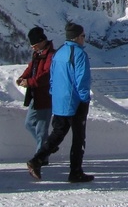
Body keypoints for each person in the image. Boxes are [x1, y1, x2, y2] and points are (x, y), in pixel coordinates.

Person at [27, 22, 93, 183]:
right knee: (78, 137)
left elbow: (52, 76)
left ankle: (37, 159)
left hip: (59, 100)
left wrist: (53, 93)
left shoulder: (60, 52)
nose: (84, 39)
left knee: (58, 133)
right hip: (75, 100)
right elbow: (81, 79)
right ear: (77, 37)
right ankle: (75, 171)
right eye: (83, 36)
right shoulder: (78, 54)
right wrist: (85, 98)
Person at [17, 27, 54, 161]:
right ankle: (47, 146)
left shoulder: (50, 55)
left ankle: (41, 157)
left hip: (45, 96)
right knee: (29, 124)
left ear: (41, 42)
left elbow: (46, 75)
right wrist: (22, 77)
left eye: (35, 45)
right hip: (35, 96)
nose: (33, 48)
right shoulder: (38, 54)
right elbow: (31, 68)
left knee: (42, 130)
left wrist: (30, 82)